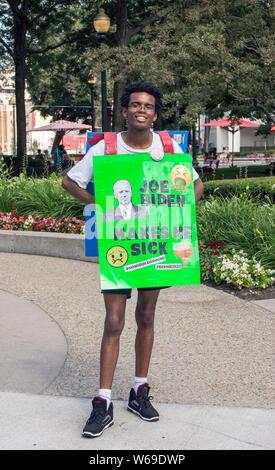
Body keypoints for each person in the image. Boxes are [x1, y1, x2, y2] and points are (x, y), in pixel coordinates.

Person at [62, 82, 203, 439]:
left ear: (155, 114)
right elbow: (70, 181)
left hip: (154, 247)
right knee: (113, 320)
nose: (142, 110)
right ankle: (103, 400)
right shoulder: (105, 148)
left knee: (146, 316)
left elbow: (195, 185)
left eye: (149, 106)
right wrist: (98, 203)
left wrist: (182, 206)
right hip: (117, 248)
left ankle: (139, 390)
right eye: (136, 104)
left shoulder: (168, 147)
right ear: (124, 110)